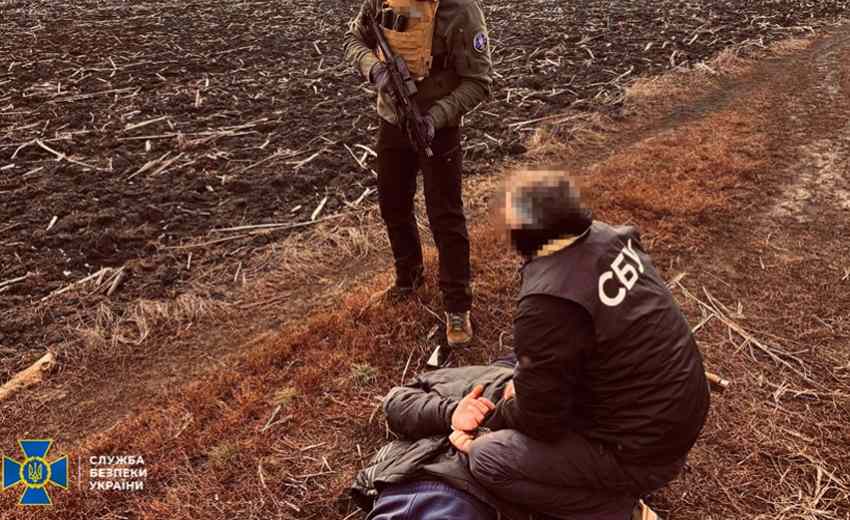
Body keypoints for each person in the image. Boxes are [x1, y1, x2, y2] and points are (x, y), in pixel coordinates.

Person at [446, 171, 711, 519]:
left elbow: (542, 422)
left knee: (489, 458)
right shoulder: (610, 238)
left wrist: (493, 420)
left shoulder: (548, 302)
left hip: (643, 454)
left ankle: (620, 511)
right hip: (677, 422)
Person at [343, 0, 493, 346]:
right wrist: (374, 70)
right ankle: (408, 278)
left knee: (445, 217)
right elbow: (354, 39)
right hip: (392, 120)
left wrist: (435, 118)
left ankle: (457, 305)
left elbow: (479, 81)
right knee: (392, 204)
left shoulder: (462, 10)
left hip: (438, 128)